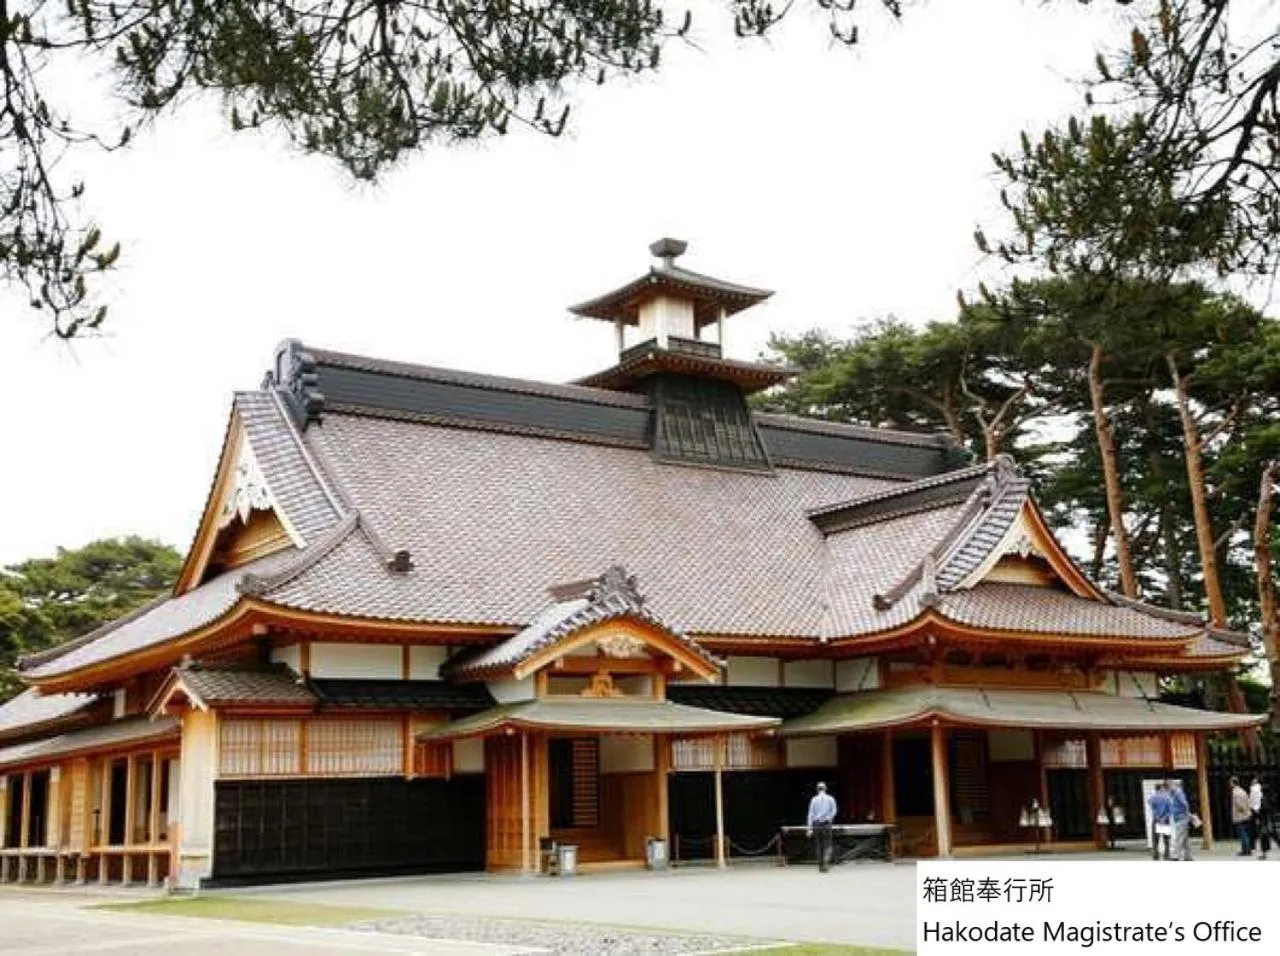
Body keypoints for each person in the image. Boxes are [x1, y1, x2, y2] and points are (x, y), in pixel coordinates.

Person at [806, 781, 838, 872]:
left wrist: (809, 828)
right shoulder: (831, 799)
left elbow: (810, 814)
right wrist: (829, 818)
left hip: (816, 824)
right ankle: (826, 863)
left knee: (819, 845)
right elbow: (834, 811)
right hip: (826, 824)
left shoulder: (814, 799)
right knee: (827, 844)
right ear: (825, 788)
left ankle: (820, 865)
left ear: (817, 789)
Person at [1168, 780, 1192, 861]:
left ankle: (1175, 856)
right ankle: (1188, 856)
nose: (1170, 786)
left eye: (1172, 785)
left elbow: (1185, 803)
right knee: (1185, 838)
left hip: (1181, 818)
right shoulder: (1175, 794)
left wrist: (1187, 813)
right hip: (1181, 818)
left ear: (1176, 785)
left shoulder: (1178, 793)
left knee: (1178, 837)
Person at [1148, 782, 1172, 861]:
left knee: (1155, 839)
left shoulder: (1153, 797)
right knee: (1166, 839)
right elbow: (1170, 810)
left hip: (1156, 820)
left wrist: (1158, 818)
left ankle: (1156, 855)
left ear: (1155, 789)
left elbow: (1152, 807)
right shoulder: (1168, 797)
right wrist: (1164, 818)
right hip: (1166, 821)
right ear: (1162, 788)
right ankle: (1167, 855)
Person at [1230, 776, 1252, 856]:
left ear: (1233, 783)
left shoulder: (1235, 792)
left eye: (1230, 782)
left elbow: (1239, 805)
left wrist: (1244, 811)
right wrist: (1248, 813)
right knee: (1245, 833)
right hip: (1246, 816)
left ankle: (1246, 850)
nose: (1230, 784)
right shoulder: (1243, 791)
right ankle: (1246, 849)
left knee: (1242, 834)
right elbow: (1248, 802)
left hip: (1240, 816)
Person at [1249, 777, 1264, 858]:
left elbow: (1252, 801)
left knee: (1253, 829)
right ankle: (1262, 846)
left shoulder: (1253, 789)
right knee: (1261, 829)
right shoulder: (1260, 789)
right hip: (1259, 810)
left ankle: (1253, 846)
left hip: (1254, 810)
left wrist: (1253, 809)